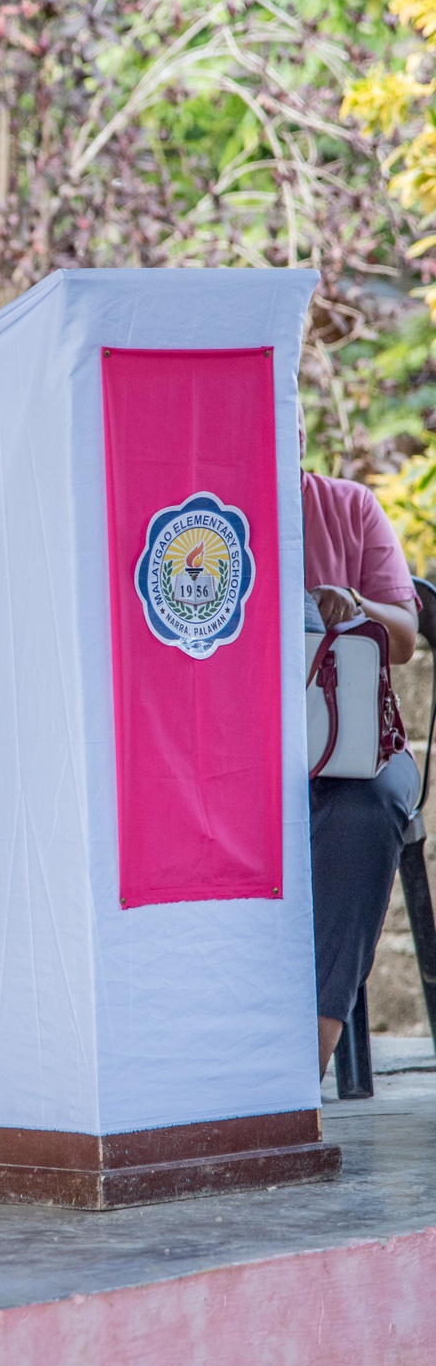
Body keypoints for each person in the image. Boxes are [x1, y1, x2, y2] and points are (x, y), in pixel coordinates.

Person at [303, 447, 420, 1077]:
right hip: (249, 762)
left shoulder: (349, 506)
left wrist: (354, 602)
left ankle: (307, 1062)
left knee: (365, 809)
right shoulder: (201, 521)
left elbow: (402, 637)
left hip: (363, 750)